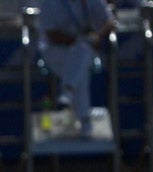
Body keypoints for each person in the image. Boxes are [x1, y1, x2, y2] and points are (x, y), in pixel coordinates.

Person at [38, 0, 115, 137]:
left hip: (83, 50)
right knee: (81, 64)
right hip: (55, 52)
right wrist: (79, 40)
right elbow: (52, 35)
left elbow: (109, 22)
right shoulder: (49, 2)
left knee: (81, 55)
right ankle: (84, 120)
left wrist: (98, 36)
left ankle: (68, 91)